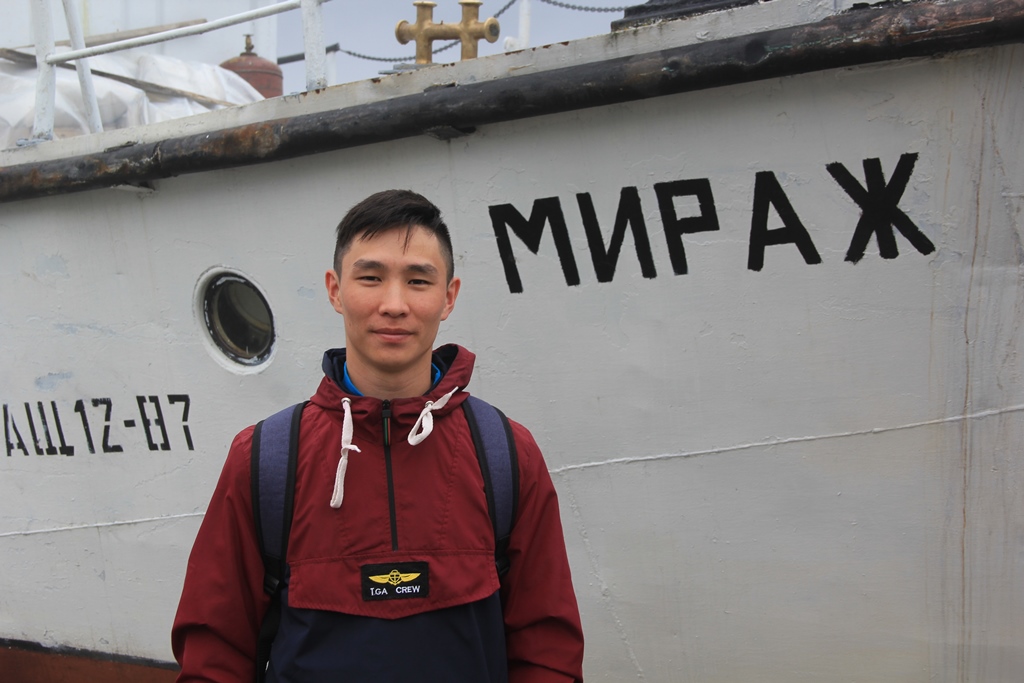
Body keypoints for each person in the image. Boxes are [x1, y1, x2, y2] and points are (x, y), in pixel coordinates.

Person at [171, 189, 584, 682]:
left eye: (418, 281)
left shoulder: (507, 456)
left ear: (449, 297)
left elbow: (547, 652)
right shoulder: (263, 461)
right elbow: (213, 656)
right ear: (334, 290)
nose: (394, 305)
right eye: (370, 277)